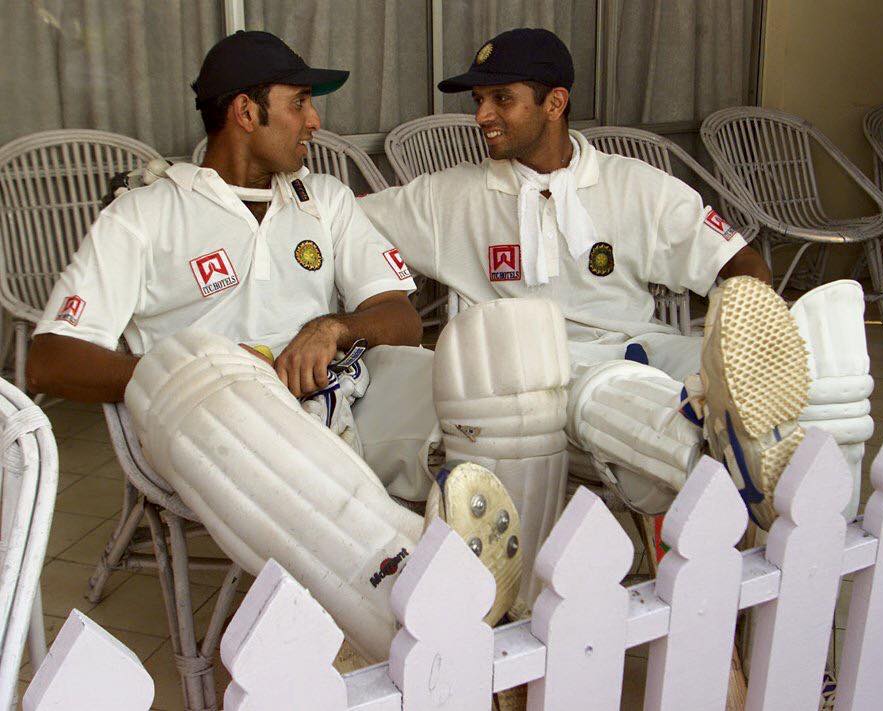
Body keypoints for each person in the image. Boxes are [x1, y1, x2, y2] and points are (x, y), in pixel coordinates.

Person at [25, 30, 524, 662]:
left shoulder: (327, 201)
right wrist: (192, 376)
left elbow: (397, 315)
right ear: (245, 112)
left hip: (342, 393)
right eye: (299, 103)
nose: (315, 121)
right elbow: (52, 356)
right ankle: (414, 597)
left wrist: (335, 328)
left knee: (485, 399)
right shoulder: (146, 214)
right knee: (220, 382)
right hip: (212, 420)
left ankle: (498, 599)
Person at [360, 27, 873, 562]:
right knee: (599, 389)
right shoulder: (451, 197)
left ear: (555, 103)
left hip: (641, 347)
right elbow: (348, 221)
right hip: (536, 380)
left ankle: (764, 476)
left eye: (501, 99)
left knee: (719, 363)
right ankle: (749, 476)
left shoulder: (634, 185)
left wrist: (743, 325)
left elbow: (740, 264)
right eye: (480, 100)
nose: (482, 115)